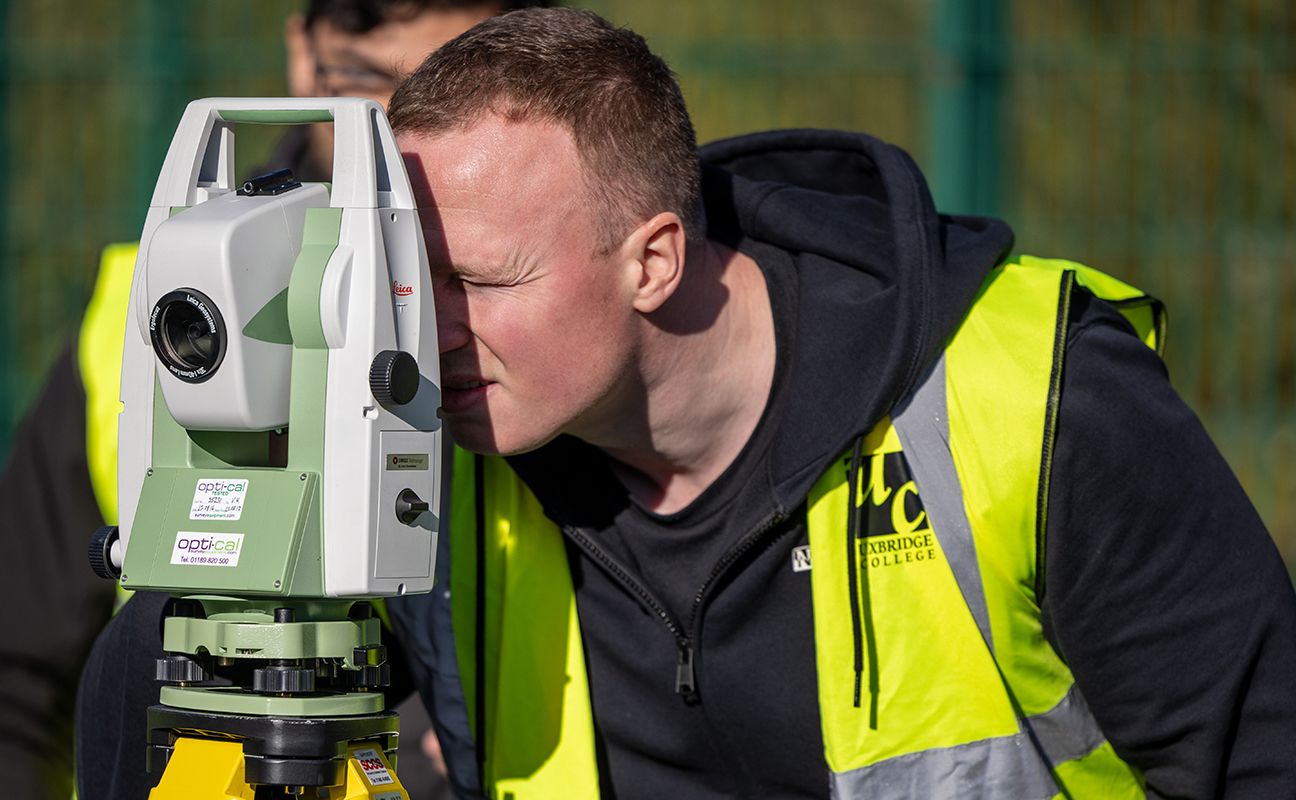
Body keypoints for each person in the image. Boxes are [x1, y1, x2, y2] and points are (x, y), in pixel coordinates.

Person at [74, 7, 1296, 800]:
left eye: (479, 283)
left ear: (652, 259)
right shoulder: (440, 441)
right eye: (405, 284)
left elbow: (1262, 753)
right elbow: (187, 689)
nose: (423, 330)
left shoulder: (1027, 397)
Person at [0, 3, 547, 798]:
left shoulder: (563, 343)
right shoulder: (142, 325)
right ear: (300, 52)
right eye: (361, 76)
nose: (395, 124)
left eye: (449, 84)